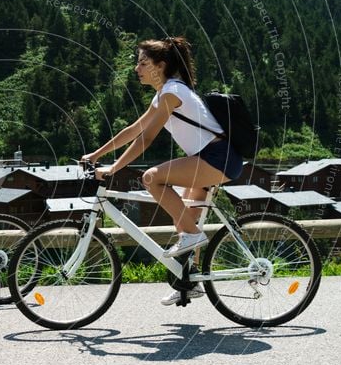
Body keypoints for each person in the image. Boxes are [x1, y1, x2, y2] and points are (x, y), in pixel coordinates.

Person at [82, 36, 243, 305]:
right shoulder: (164, 94)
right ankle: (190, 282)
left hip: (218, 157)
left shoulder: (173, 93)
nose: (137, 68)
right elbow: (134, 130)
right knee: (184, 221)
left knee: (152, 178)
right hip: (208, 158)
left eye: (143, 62)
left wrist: (113, 168)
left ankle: (194, 237)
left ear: (161, 65)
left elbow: (146, 139)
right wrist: (96, 155)